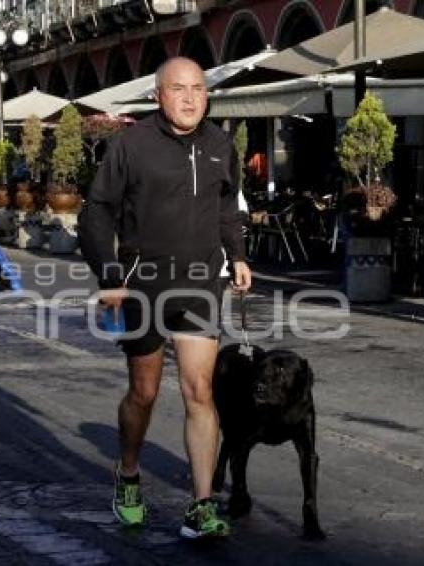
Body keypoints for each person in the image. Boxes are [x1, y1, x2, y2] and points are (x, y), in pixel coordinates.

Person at [78, 57, 252, 538]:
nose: (191, 97)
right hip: (143, 284)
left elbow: (226, 206)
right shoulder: (131, 145)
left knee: (201, 391)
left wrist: (236, 254)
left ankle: (201, 506)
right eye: (179, 89)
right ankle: (129, 473)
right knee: (145, 392)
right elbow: (96, 213)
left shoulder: (220, 143)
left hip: (199, 282)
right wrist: (110, 275)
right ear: (159, 95)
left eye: (198, 88)